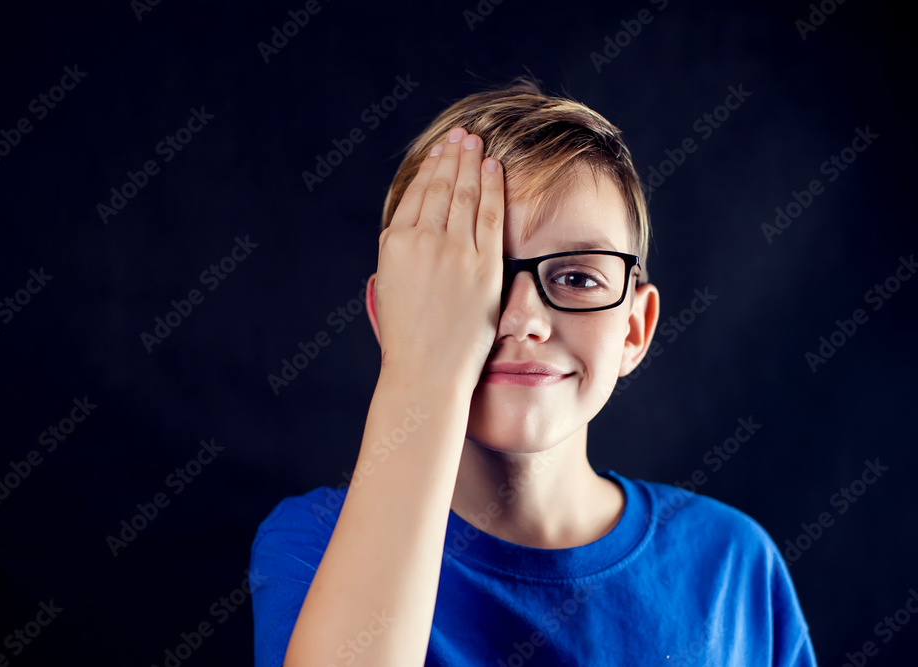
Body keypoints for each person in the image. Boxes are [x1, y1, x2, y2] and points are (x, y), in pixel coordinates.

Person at [250, 77, 818, 666]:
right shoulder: (313, 542)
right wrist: (422, 367)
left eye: (577, 278)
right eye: (476, 277)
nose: (523, 319)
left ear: (634, 329)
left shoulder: (732, 564)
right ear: (394, 315)